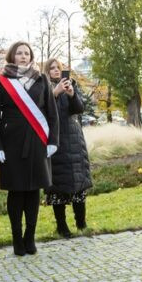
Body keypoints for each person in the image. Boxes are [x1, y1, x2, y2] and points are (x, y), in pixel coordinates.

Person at [0, 41, 58, 256]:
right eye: (19, 53)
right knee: (16, 191)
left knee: (34, 190)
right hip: (11, 145)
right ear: (12, 56)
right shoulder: (1, 82)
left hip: (38, 142)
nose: (24, 56)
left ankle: (30, 236)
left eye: (27, 53)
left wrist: (53, 141)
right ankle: (17, 238)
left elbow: (52, 114)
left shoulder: (42, 80)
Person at [44, 58, 92, 238]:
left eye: (58, 68)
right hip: (55, 139)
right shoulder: (44, 88)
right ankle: (62, 226)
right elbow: (44, 111)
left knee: (78, 181)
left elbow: (79, 109)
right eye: (52, 68)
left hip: (73, 137)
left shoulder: (70, 84)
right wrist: (54, 94)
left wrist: (72, 94)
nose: (56, 71)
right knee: (57, 184)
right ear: (47, 71)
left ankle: (81, 222)